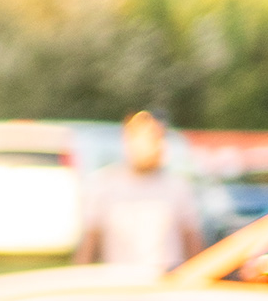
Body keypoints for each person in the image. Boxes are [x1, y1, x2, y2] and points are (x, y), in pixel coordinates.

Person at [71, 110, 211, 272]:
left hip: (167, 281)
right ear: (129, 141)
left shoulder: (178, 186)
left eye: (158, 138)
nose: (155, 146)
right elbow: (90, 243)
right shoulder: (104, 184)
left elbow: (192, 243)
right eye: (147, 138)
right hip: (121, 281)